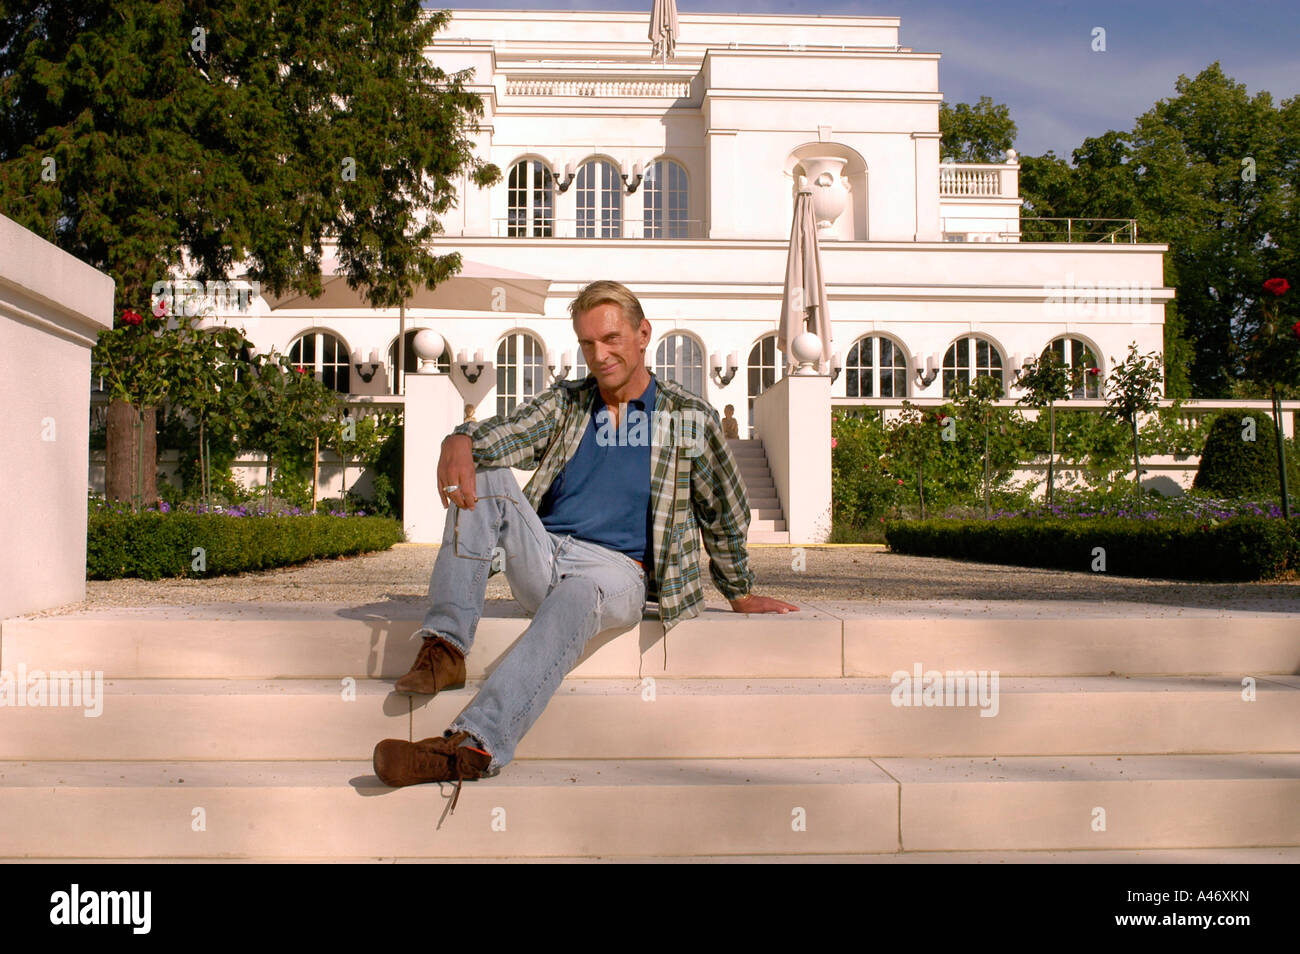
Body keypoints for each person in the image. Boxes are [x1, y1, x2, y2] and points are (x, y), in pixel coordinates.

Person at [372, 280, 798, 808]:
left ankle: (472, 746)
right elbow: (505, 434)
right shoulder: (568, 403)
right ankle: (446, 647)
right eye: (588, 344)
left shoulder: (690, 418)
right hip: (546, 555)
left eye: (612, 339)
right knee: (488, 480)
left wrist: (739, 590)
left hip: (617, 573)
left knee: (577, 595)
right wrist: (458, 439)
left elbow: (724, 510)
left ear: (644, 335)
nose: (600, 355)